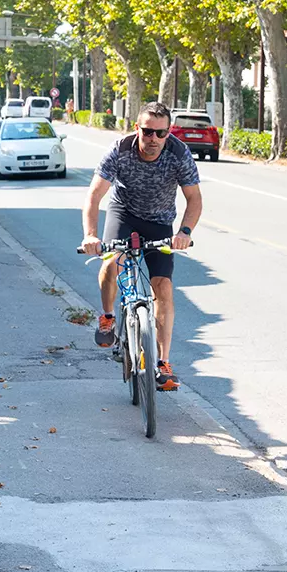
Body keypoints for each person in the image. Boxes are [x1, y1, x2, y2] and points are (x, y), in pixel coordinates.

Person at [80, 100, 202, 390]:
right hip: (124, 213)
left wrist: (184, 231)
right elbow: (94, 196)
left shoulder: (178, 153)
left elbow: (194, 199)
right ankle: (108, 317)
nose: (154, 140)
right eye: (148, 132)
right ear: (137, 128)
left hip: (160, 221)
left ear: (168, 132)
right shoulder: (119, 150)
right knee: (111, 261)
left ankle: (163, 363)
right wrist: (90, 235)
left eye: (161, 133)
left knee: (163, 287)